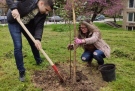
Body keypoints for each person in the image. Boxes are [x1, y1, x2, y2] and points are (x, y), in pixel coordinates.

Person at [6, 0, 54, 82]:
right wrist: (13, 8)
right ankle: (21, 71)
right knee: (18, 46)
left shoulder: (42, 14)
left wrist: (38, 39)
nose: (46, 13)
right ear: (41, 3)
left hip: (26, 24)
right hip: (14, 21)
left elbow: (39, 27)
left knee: (34, 42)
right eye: (46, 10)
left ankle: (38, 60)